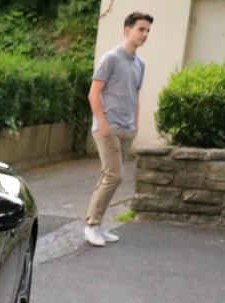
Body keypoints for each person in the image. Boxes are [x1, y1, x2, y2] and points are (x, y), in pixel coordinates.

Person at [85, 12, 152, 247]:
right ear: (128, 30)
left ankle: (97, 224)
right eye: (141, 29)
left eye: (147, 31)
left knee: (109, 176)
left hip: (126, 128)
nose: (145, 34)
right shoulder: (111, 58)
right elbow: (94, 93)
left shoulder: (139, 63)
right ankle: (92, 226)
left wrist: (135, 123)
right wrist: (103, 123)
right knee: (115, 175)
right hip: (108, 127)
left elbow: (135, 95)